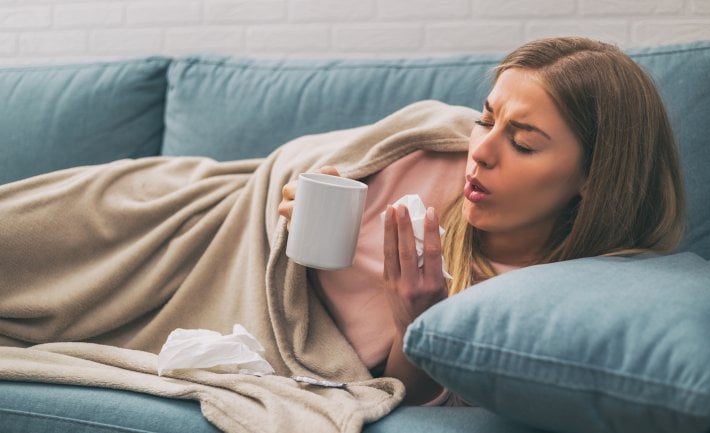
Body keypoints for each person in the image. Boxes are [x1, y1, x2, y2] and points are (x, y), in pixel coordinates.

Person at [278, 36, 686, 405]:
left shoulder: (548, 303)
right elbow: (328, 168)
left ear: (596, 177)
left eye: (523, 143)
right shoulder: (434, 159)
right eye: (486, 120)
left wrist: (414, 324)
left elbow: (407, 405)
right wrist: (306, 193)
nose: (482, 153)